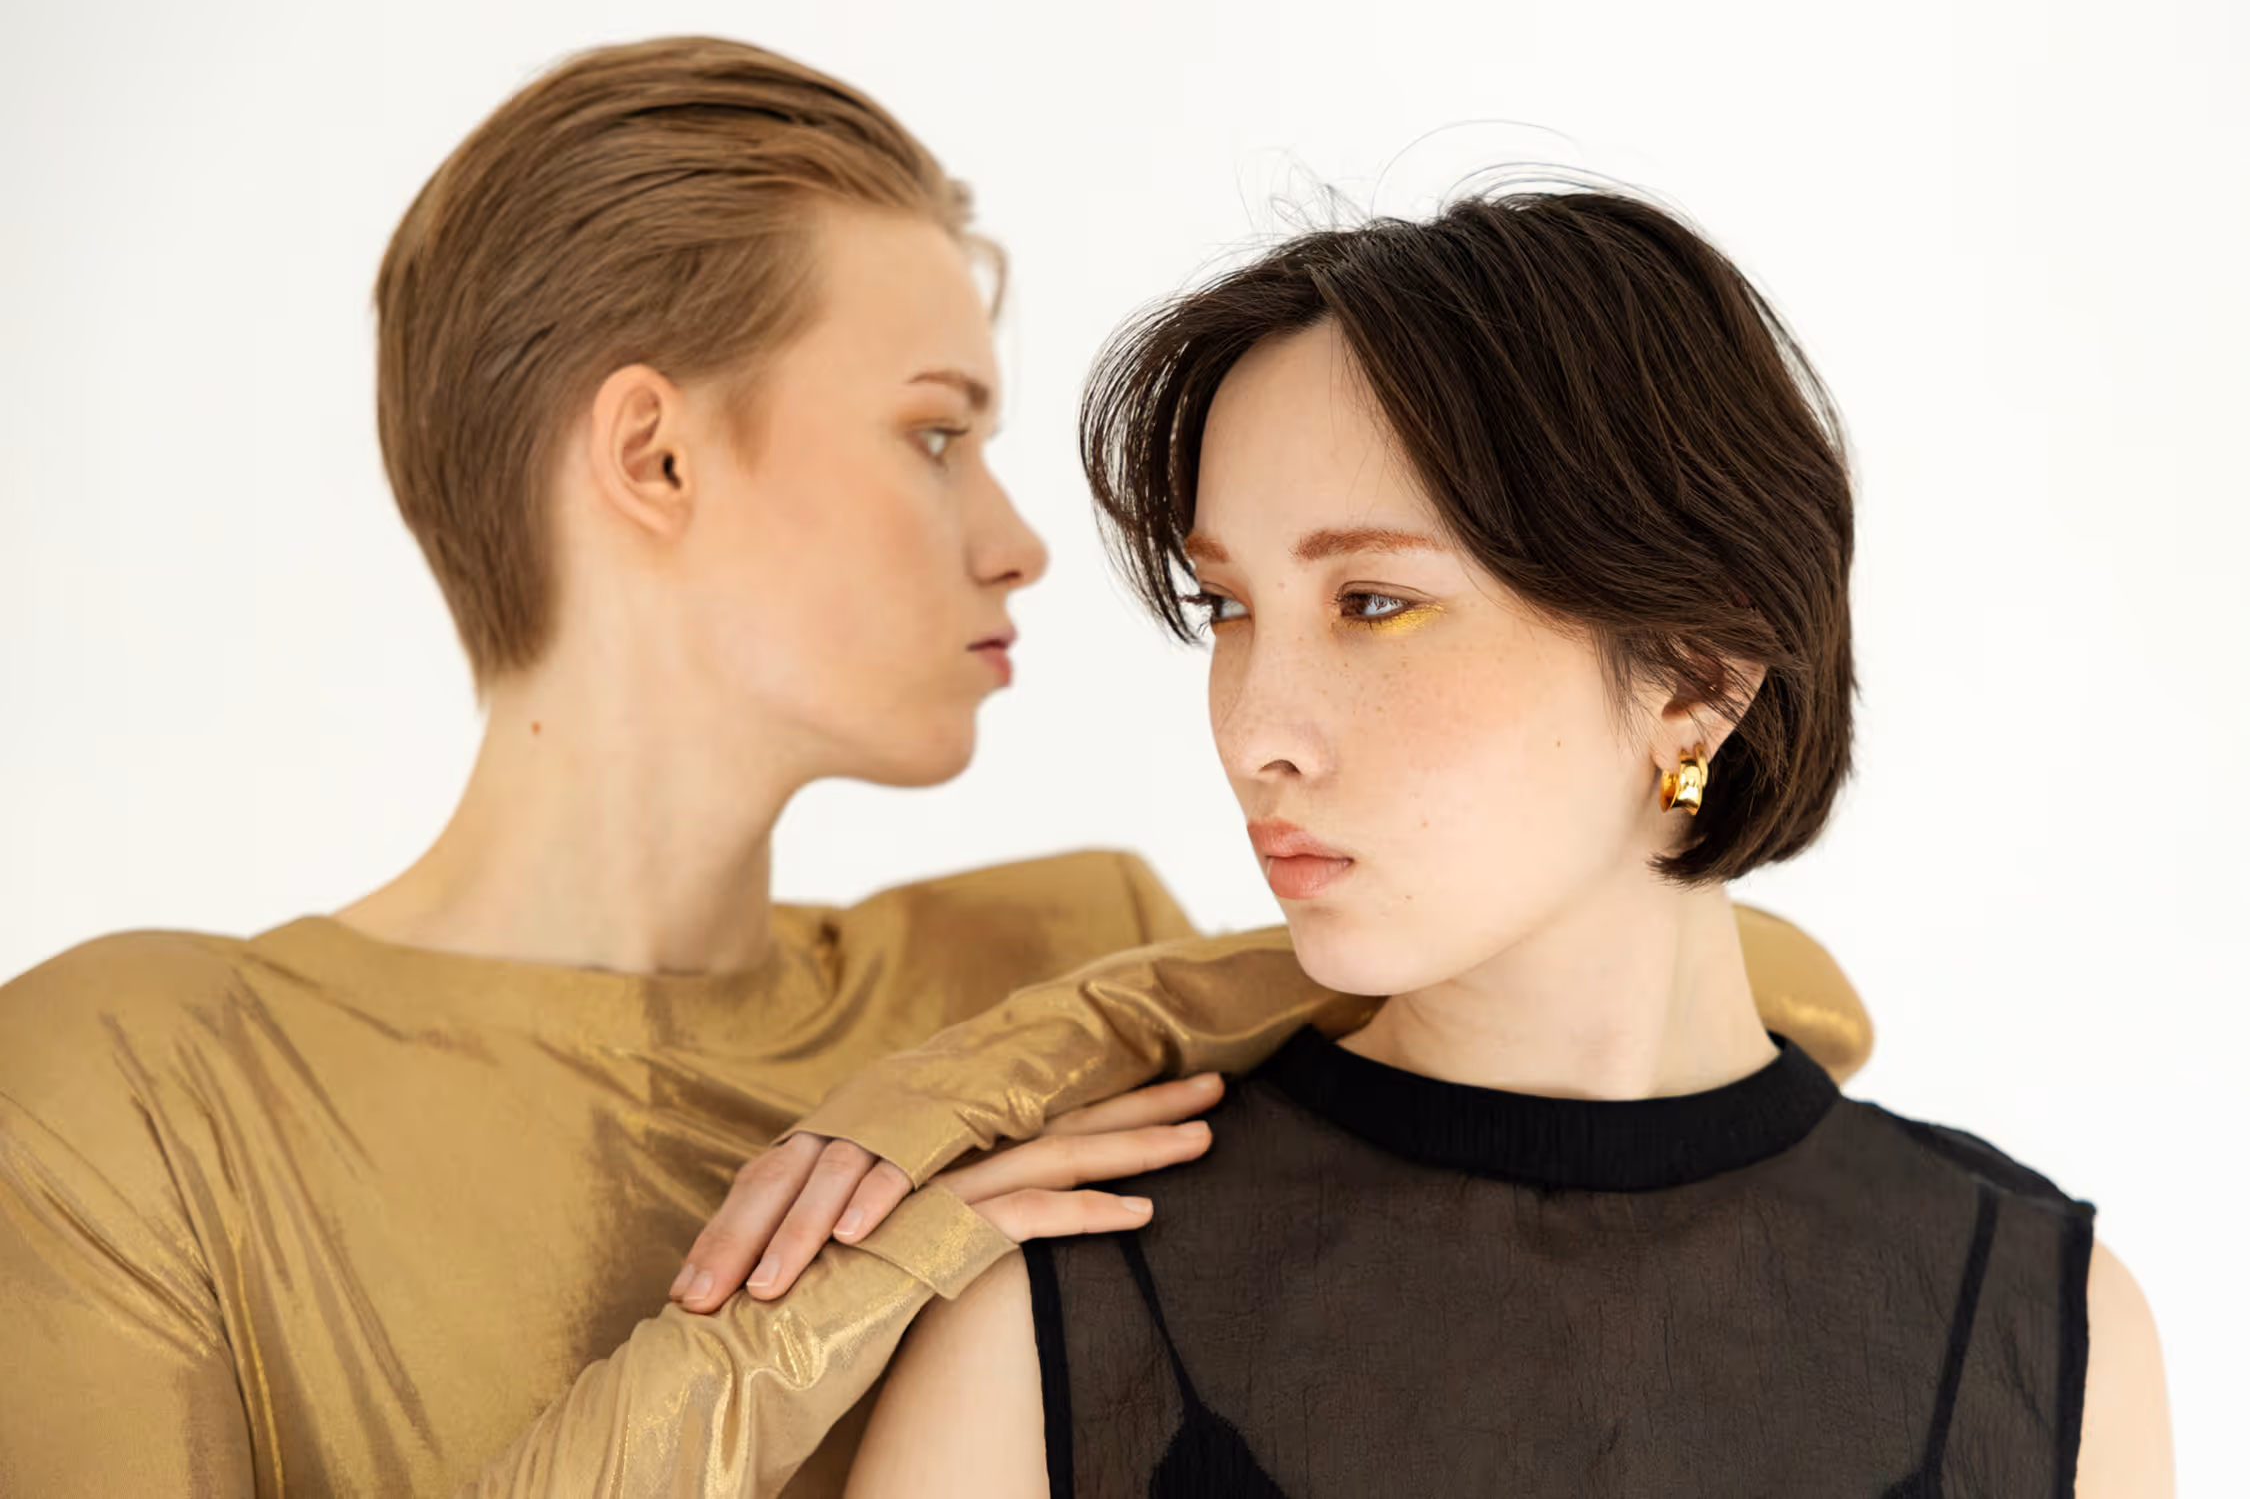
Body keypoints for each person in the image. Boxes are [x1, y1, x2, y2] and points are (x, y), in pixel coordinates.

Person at [0, 38, 1873, 1499]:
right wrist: (796, 1319)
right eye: (934, 434)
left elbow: (1721, 1006)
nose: (1020, 540)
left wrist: (992, 1065)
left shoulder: (1052, 964)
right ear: (654, 458)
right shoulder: (140, 1085)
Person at [841, 191, 2175, 1496]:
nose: (1253, 733)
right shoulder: (1057, 1300)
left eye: (1373, 602)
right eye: (1228, 606)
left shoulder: (2040, 1325)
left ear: (1696, 673)